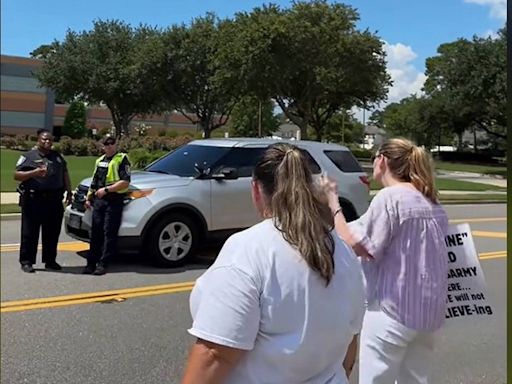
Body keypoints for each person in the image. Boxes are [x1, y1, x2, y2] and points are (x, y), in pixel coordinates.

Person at [181, 143, 365, 384]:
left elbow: (214, 354)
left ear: (256, 190)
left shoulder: (246, 250)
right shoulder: (342, 251)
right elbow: (350, 345)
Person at [321, 138, 449, 384]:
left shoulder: (390, 198)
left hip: (392, 312)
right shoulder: (432, 201)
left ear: (382, 160)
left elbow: (354, 243)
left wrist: (333, 201)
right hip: (429, 317)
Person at [14, 128, 72, 273]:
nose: (47, 142)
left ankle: (50, 261)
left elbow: (65, 173)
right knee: (29, 233)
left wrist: (69, 191)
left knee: (52, 233)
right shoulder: (28, 156)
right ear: (38, 140)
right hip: (33, 199)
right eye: (44, 139)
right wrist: (34, 173)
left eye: (50, 139)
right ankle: (26, 261)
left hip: (54, 200)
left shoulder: (57, 157)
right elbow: (16, 175)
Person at [83, 136, 131, 276]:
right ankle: (91, 264)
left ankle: (103, 264)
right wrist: (88, 198)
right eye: (106, 144)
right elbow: (94, 181)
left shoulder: (121, 159)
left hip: (114, 200)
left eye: (111, 143)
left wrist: (107, 190)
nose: (109, 146)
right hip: (99, 201)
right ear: (102, 146)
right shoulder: (100, 161)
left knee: (109, 233)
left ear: (116, 145)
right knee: (96, 233)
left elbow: (125, 182)